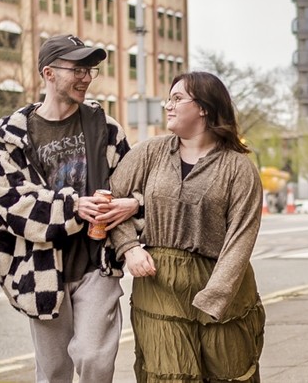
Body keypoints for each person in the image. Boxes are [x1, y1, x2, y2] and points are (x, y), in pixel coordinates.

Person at [0, 34, 138, 383]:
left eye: (90, 70)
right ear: (48, 73)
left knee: (93, 357)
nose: (86, 77)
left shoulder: (106, 129)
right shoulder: (13, 134)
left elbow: (132, 183)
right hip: (39, 269)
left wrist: (132, 204)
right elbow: (10, 202)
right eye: (78, 69)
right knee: (53, 372)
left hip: (95, 262)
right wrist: (72, 208)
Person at [107, 72, 266, 382]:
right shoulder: (150, 151)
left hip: (219, 281)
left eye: (177, 98)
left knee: (228, 372)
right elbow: (110, 200)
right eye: (169, 98)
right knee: (169, 373)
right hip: (159, 281)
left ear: (204, 107)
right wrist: (129, 248)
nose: (168, 105)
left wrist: (216, 295)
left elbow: (241, 237)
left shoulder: (238, 167)